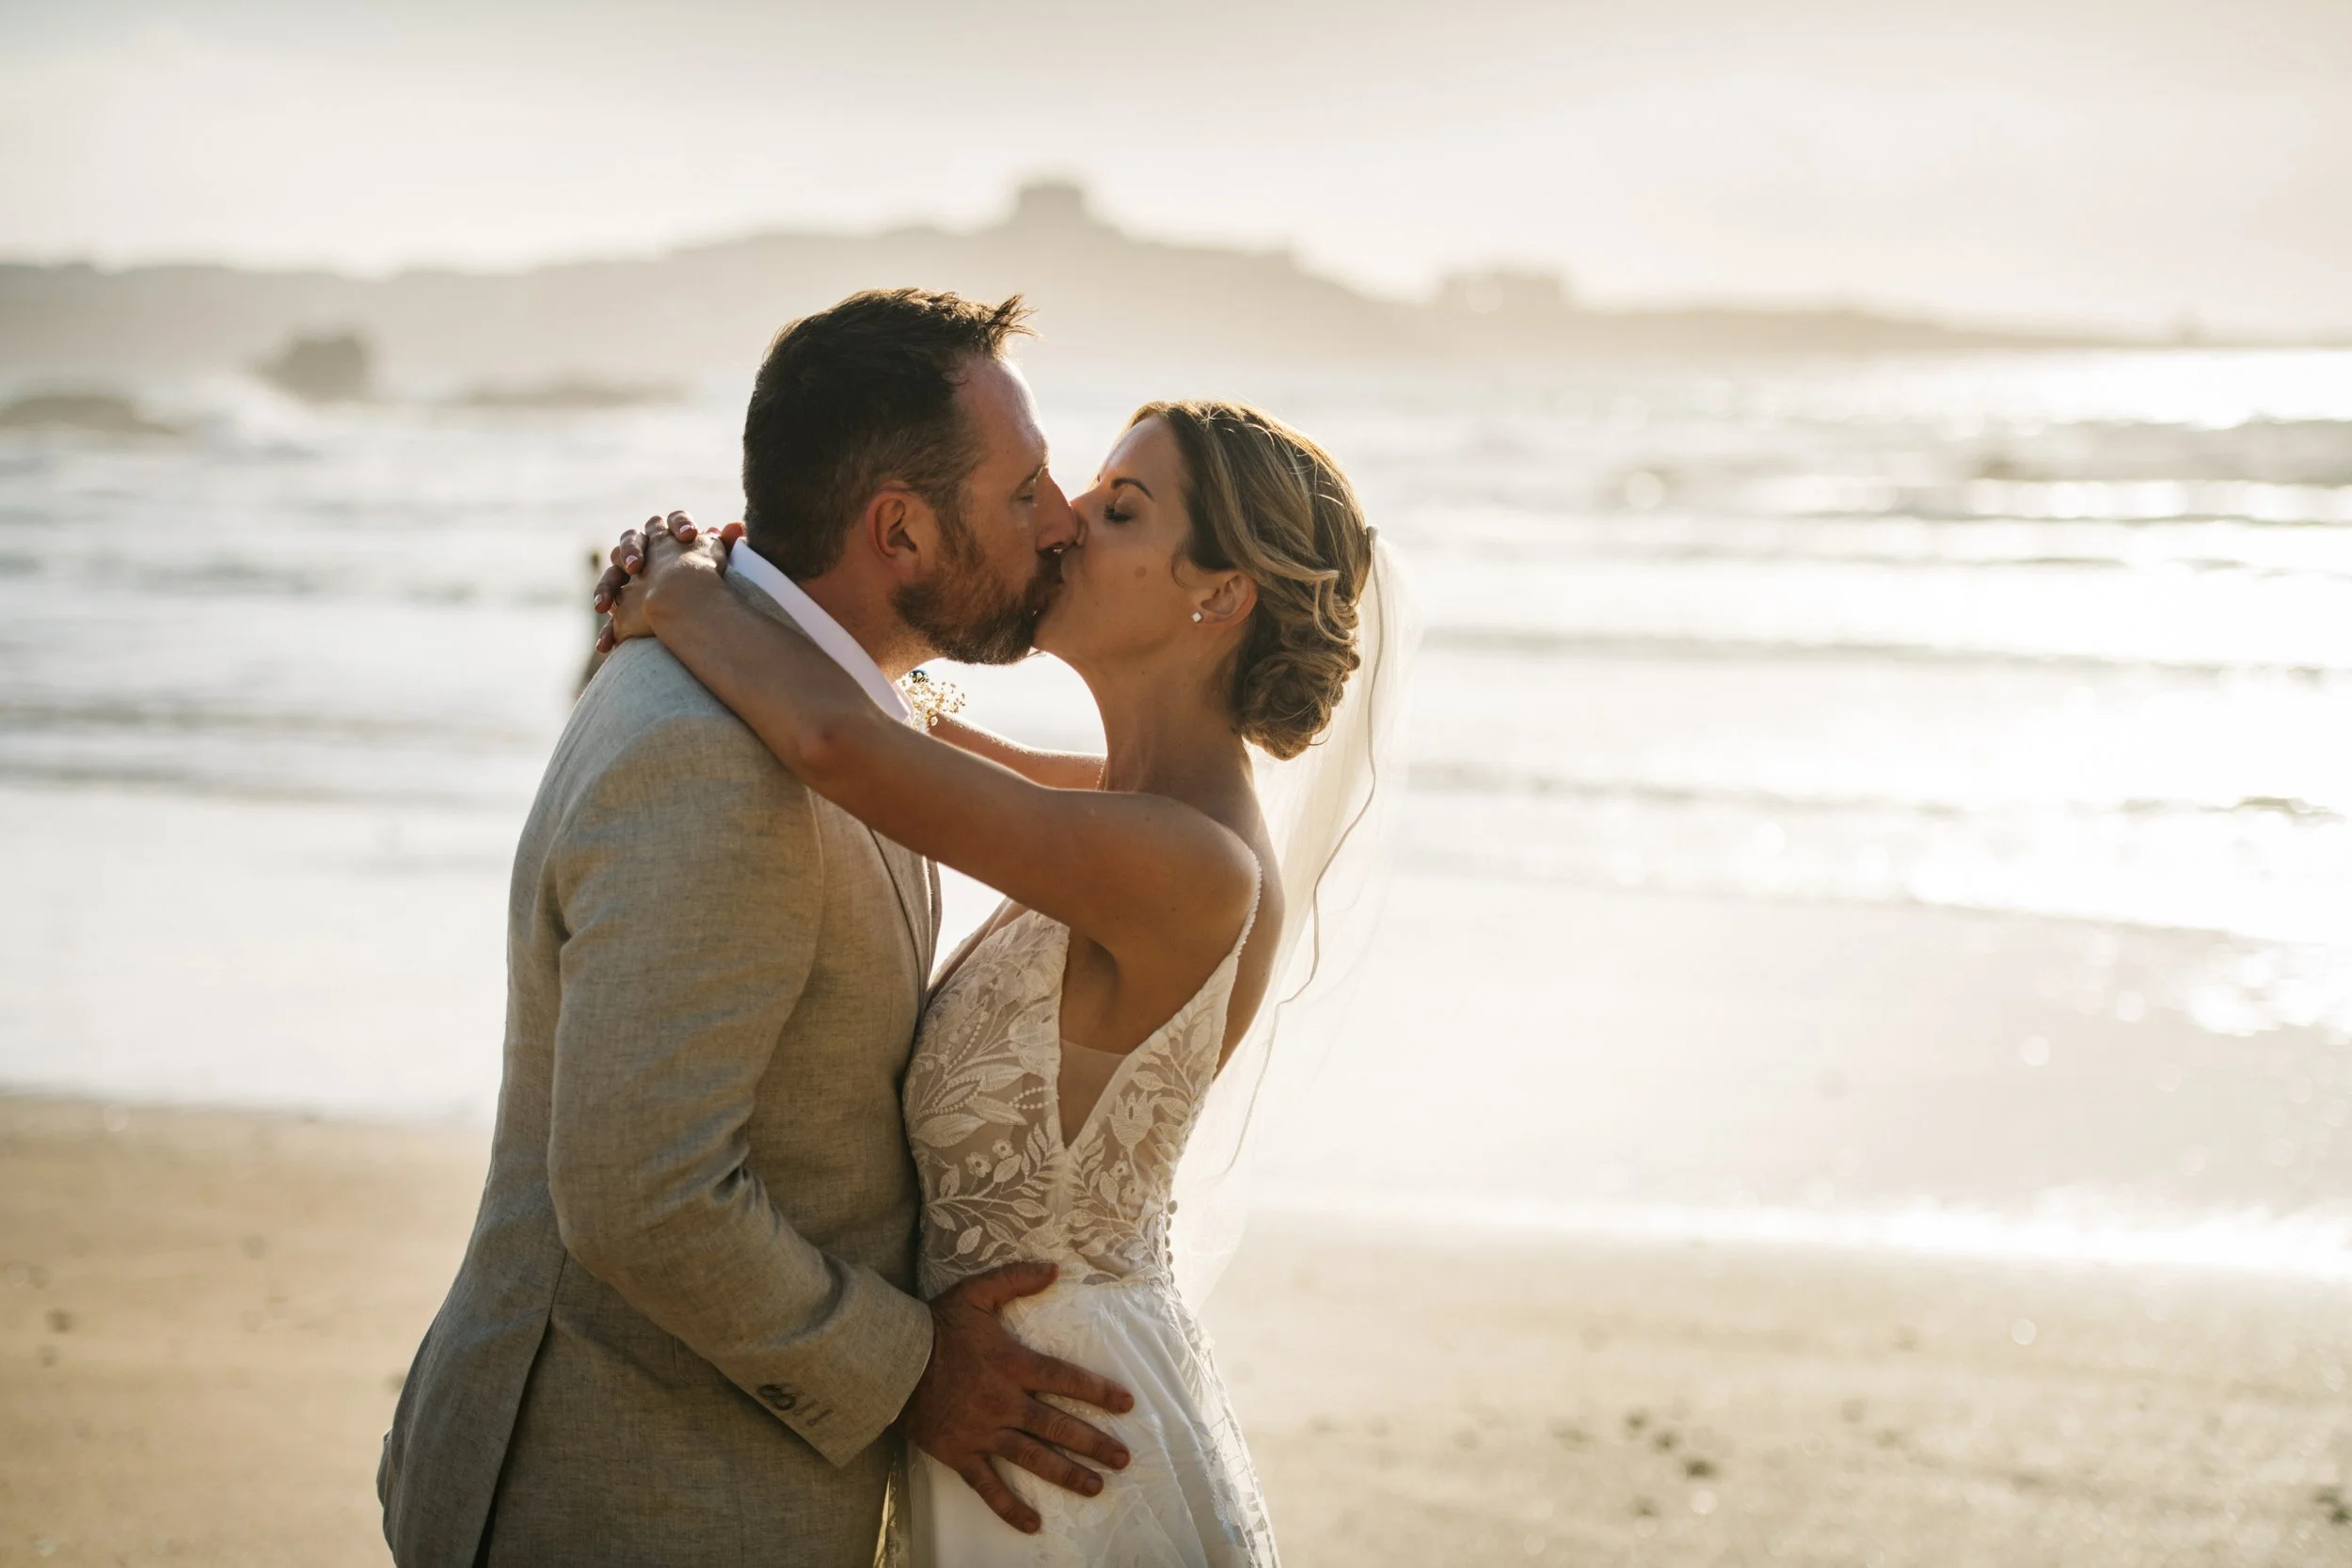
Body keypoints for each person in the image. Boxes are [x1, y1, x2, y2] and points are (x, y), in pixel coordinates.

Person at [377, 289, 1138, 1568]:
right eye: (1023, 493)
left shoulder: (827, 700)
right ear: (899, 527)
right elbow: (641, 1195)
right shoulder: (714, 763)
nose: (1060, 520)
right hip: (628, 1491)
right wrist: (910, 1372)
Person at [594, 386, 1406, 1565]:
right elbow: (883, 716)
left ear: (1219, 595)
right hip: (1003, 1404)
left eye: (1120, 508)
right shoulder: (1124, 803)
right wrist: (738, 585)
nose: (1067, 522)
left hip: (1055, 1438)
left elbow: (836, 744)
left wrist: (674, 592)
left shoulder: (1190, 864)